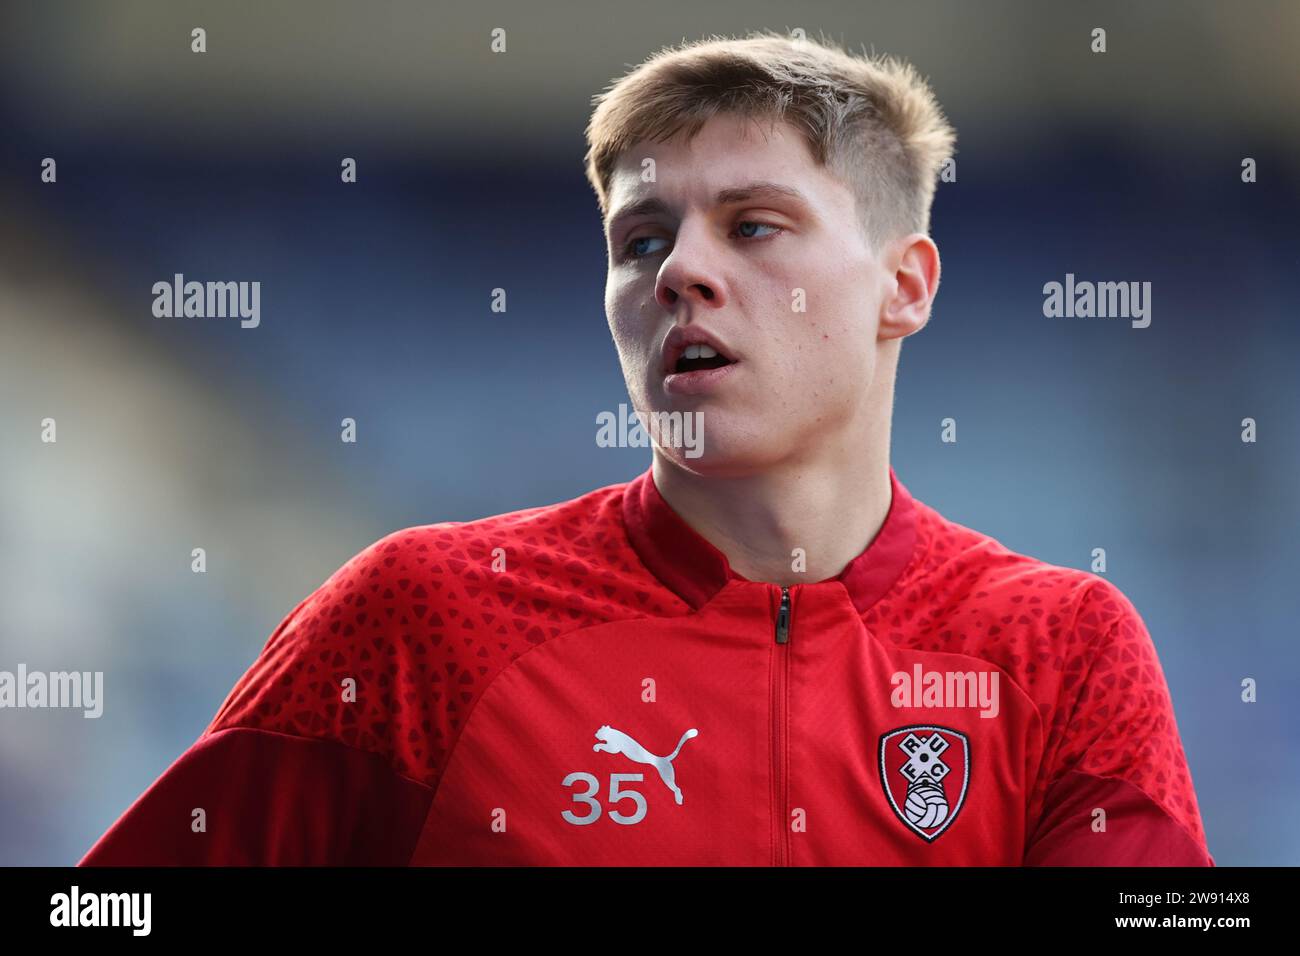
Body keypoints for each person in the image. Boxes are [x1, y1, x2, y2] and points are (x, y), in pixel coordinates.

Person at [81, 30, 1211, 866]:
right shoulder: (423, 614)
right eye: (642, 238)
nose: (679, 272)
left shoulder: (1059, 649)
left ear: (902, 286)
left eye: (754, 224)